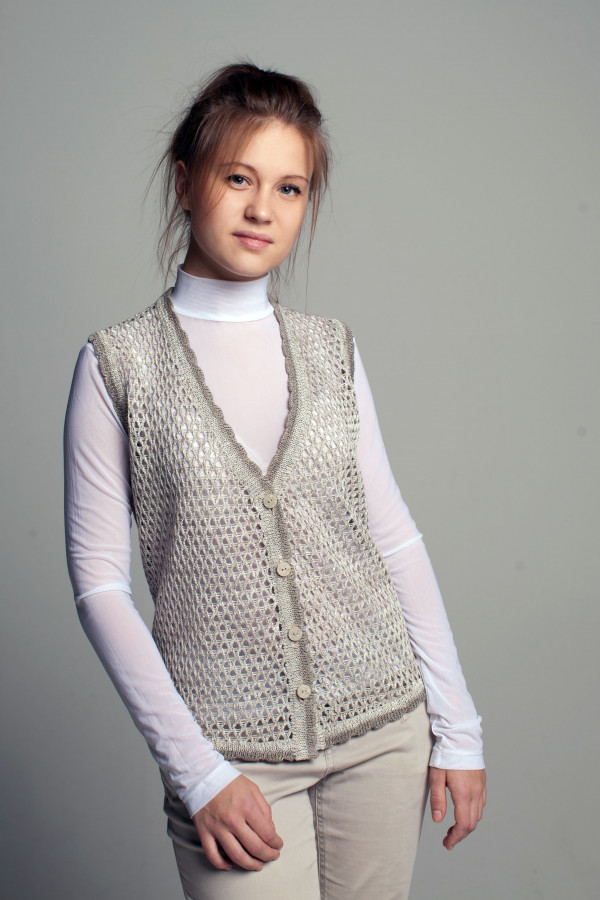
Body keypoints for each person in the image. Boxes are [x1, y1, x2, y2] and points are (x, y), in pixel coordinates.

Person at [64, 62, 486, 900]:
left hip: (383, 732)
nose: (263, 208)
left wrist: (459, 726)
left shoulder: (332, 350)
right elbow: (99, 584)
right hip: (231, 762)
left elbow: (393, 535)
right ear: (185, 182)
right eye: (239, 178)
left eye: (290, 188)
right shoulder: (119, 366)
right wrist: (197, 771)